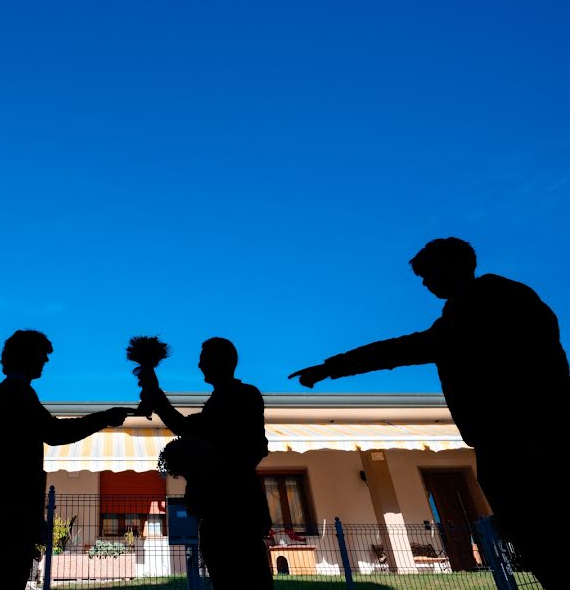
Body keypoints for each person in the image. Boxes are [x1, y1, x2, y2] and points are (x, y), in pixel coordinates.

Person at [289, 237, 567, 589]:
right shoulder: (495, 304)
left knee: (543, 535)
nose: (425, 283)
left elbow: (406, 348)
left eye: (428, 274)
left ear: (451, 266)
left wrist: (332, 367)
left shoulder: (481, 307)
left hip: (522, 439)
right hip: (517, 435)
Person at [0, 330, 131, 590]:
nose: (45, 361)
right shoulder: (16, 393)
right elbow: (55, 433)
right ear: (26, 356)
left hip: (4, 509)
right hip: (8, 511)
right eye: (42, 355)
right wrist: (104, 417)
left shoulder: (12, 392)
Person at [138, 337, 273, 589]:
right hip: (225, 511)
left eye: (204, 359)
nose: (199, 365)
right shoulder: (226, 400)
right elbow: (188, 427)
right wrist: (157, 397)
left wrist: (202, 461)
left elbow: (189, 428)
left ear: (221, 362)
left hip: (232, 510)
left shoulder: (240, 397)